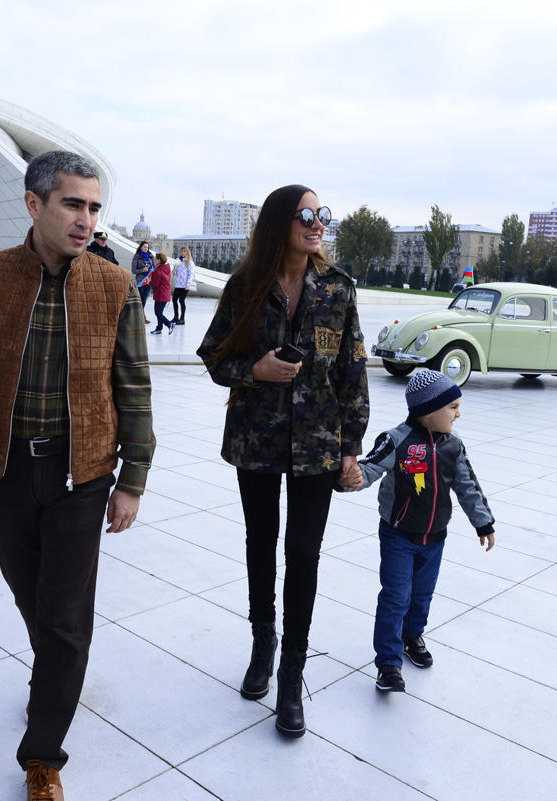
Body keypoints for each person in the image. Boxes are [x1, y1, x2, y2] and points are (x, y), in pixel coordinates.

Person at [0, 150, 155, 801]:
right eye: (72, 204)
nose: (85, 219)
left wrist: (132, 477)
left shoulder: (114, 286)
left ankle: (42, 754)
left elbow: (134, 390)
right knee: (31, 594)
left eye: (93, 207)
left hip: (81, 472)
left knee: (64, 616)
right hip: (3, 469)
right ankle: (56, 671)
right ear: (35, 204)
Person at [196, 184, 369, 739]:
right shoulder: (246, 286)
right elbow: (213, 356)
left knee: (304, 554)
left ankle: (292, 674)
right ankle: (262, 642)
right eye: (306, 215)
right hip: (258, 441)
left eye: (322, 215)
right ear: (279, 223)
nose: (317, 223)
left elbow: (353, 373)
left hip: (318, 444)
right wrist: (256, 371)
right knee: (259, 544)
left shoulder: (339, 290)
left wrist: (350, 447)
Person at [346, 370, 495, 693]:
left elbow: (468, 487)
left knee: (422, 595)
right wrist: (353, 478)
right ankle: (388, 664)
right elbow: (371, 466)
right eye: (453, 406)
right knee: (395, 598)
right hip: (398, 537)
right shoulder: (397, 439)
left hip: (435, 539)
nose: (459, 413)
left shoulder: (453, 446)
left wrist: (483, 522)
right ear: (429, 411)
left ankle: (412, 635)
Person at [148, 251, 174, 334]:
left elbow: (155, 284)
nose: (154, 260)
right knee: (160, 312)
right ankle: (159, 328)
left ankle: (169, 324)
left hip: (160, 294)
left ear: (159, 260)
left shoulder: (158, 271)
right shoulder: (166, 269)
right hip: (165, 293)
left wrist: (148, 282)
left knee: (158, 313)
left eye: (156, 259)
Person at [172, 246, 197, 324]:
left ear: (187, 252)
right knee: (174, 300)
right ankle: (176, 316)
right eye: (181, 251)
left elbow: (191, 274)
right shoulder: (178, 261)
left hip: (185, 285)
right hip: (178, 285)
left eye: (184, 251)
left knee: (181, 300)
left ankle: (182, 319)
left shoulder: (190, 262)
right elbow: (175, 272)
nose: (182, 253)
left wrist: (188, 284)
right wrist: (174, 270)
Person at [131, 241, 154, 323]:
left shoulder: (151, 256)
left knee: (144, 299)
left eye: (147, 247)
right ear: (140, 247)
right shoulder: (137, 257)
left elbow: (154, 267)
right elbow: (133, 270)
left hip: (148, 281)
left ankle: (141, 317)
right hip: (140, 282)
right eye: (144, 247)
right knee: (140, 300)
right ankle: (139, 318)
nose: (146, 249)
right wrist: (142, 270)